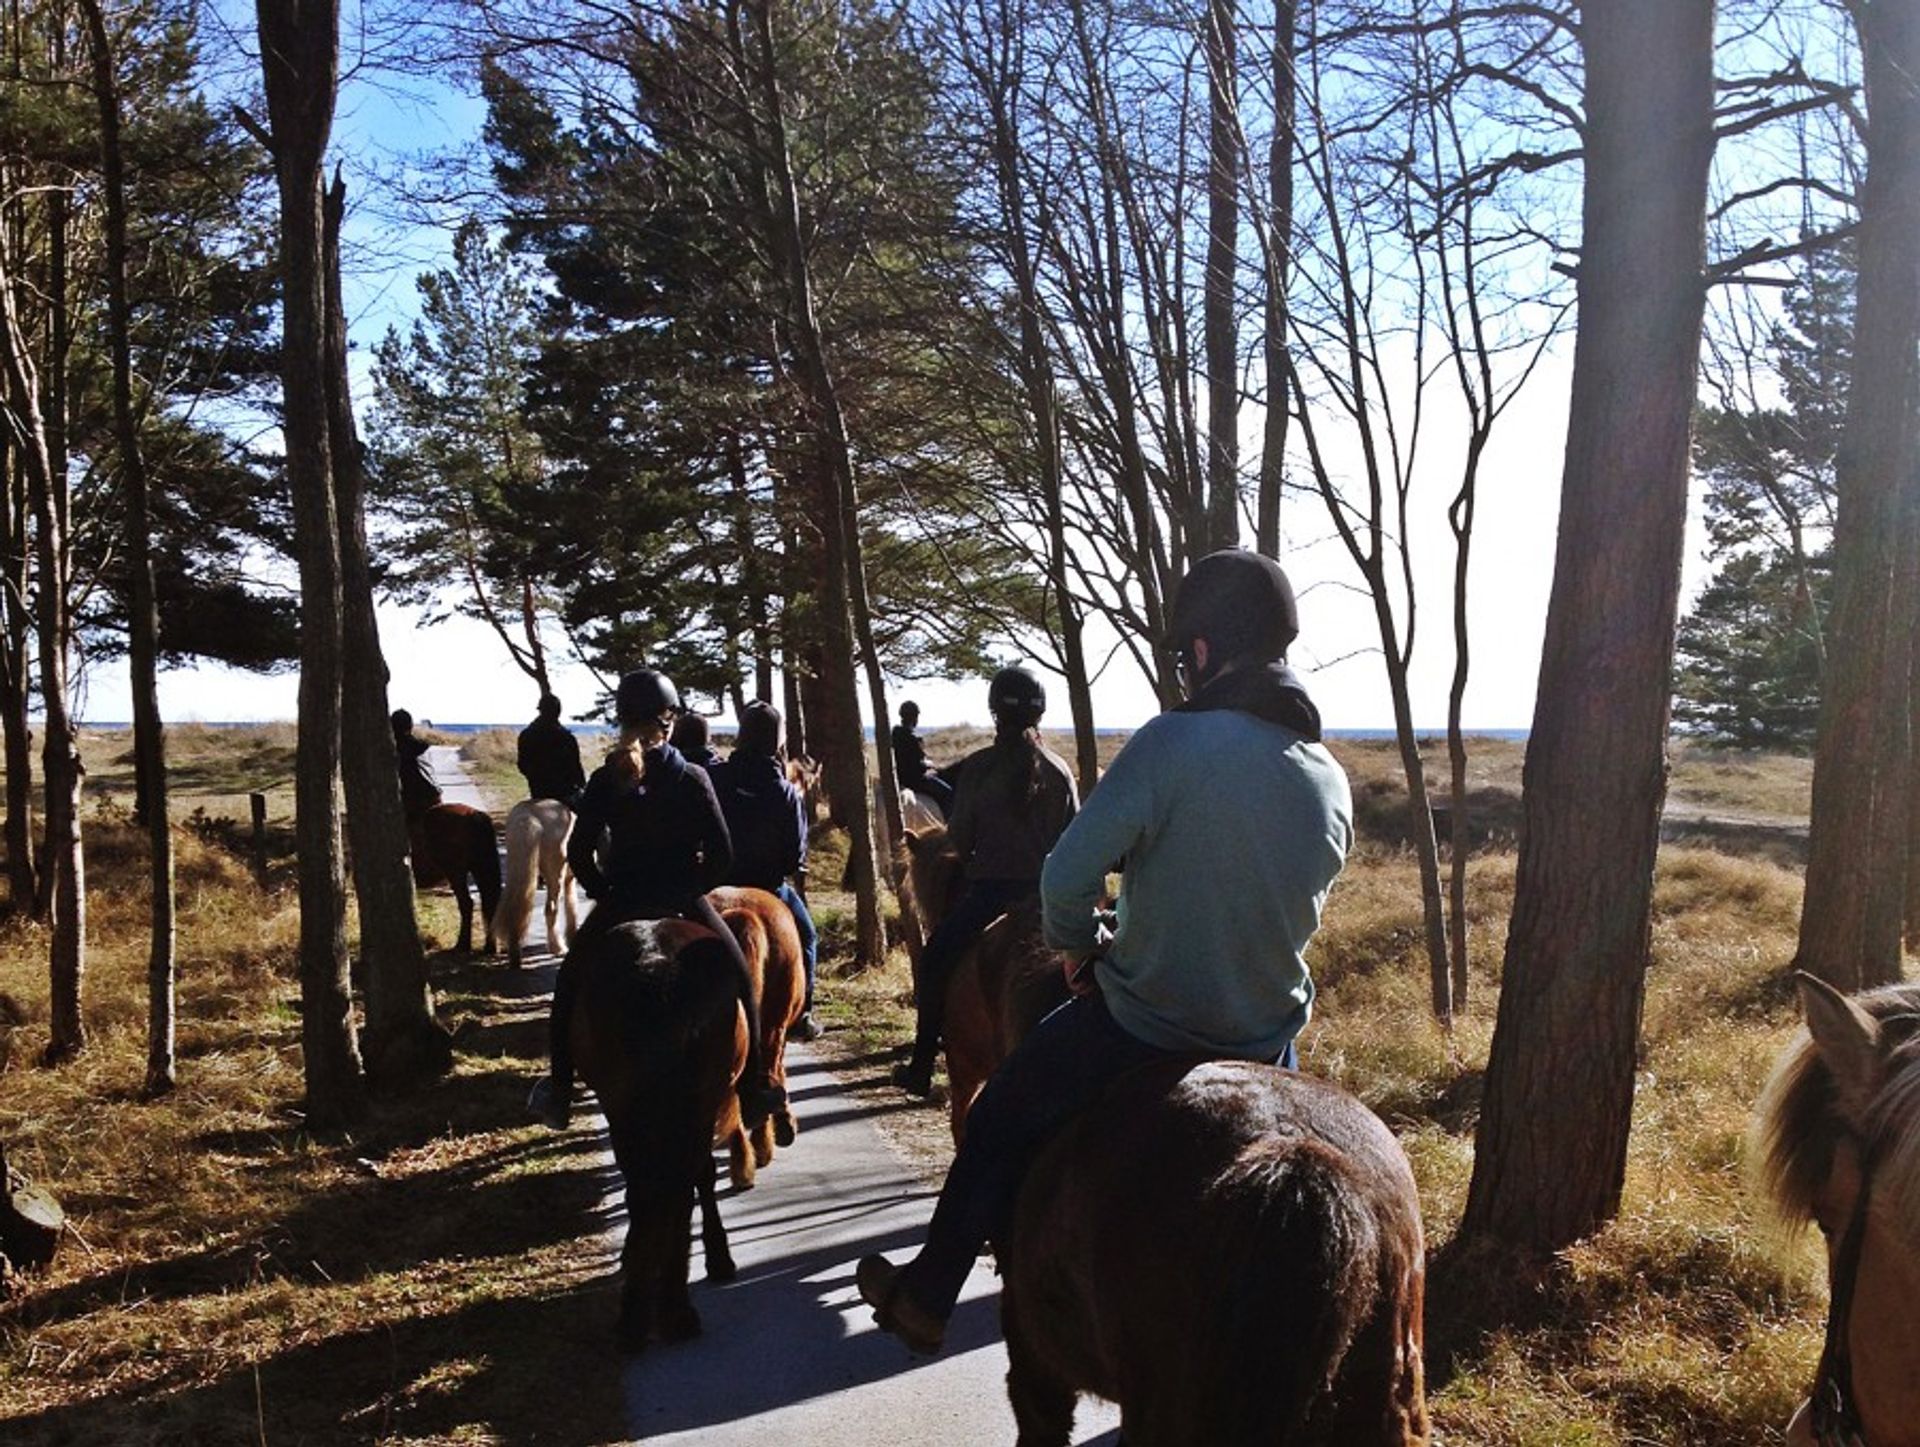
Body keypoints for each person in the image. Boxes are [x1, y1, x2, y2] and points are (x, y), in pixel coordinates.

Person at [856, 549, 1354, 1354]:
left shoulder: (1170, 741)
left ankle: (927, 1293)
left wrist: (1084, 952)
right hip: (1267, 1037)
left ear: (1199, 652)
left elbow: (1066, 876)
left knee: (999, 1114)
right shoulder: (1329, 775)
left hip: (1145, 1022)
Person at [526, 668, 786, 1132]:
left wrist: (603, 889)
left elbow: (579, 850)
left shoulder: (606, 780)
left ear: (622, 720)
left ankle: (560, 1090)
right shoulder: (693, 777)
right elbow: (723, 854)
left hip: (622, 898)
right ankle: (753, 1089)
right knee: (741, 976)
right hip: (683, 898)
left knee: (570, 982)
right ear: (668, 721)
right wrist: (692, 885)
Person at [890, 667, 1079, 1099]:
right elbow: (1073, 839)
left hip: (990, 895)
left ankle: (921, 1064)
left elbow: (960, 837)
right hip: (1046, 900)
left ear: (995, 712)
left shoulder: (978, 767)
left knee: (937, 957)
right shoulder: (1059, 770)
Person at [710, 701, 823, 1043]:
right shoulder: (786, 792)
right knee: (806, 937)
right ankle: (803, 1014)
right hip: (769, 887)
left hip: (716, 883)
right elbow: (794, 857)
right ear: (776, 740)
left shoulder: (714, 777)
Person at [517, 694, 586, 805]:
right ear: (558, 711)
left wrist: (535, 778)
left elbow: (522, 765)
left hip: (538, 791)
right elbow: (575, 767)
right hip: (564, 793)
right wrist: (582, 785)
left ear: (540, 710)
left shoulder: (526, 734)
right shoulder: (565, 737)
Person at [890, 701, 954, 816]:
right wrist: (929, 765)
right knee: (948, 793)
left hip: (899, 778)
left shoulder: (895, 735)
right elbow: (917, 766)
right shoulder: (912, 738)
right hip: (915, 781)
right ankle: (949, 823)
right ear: (914, 717)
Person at [391, 709, 441, 823]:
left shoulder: (395, 749)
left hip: (412, 800)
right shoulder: (423, 746)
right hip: (432, 795)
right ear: (411, 726)